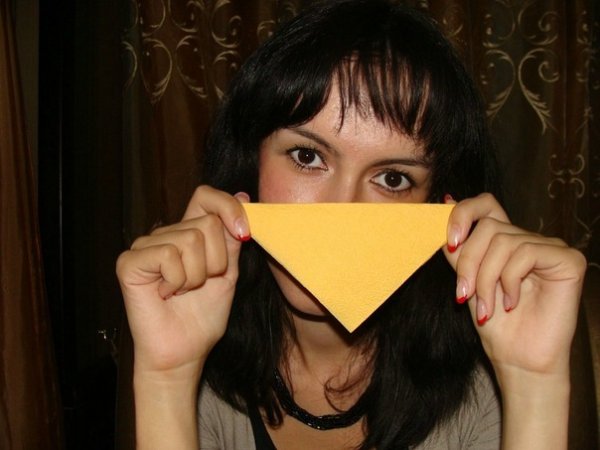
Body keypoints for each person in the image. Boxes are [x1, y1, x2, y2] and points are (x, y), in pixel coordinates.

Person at [116, 0, 587, 448]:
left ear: (442, 208)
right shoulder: (201, 367)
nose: (341, 206)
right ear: (250, 167)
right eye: (307, 156)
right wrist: (167, 378)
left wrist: (533, 384)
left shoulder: (482, 390)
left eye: (392, 178)